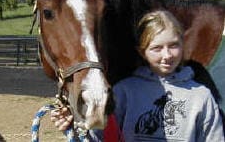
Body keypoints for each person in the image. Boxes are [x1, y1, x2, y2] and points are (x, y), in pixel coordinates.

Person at [51, 10, 225, 141]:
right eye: (157, 48)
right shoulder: (124, 92)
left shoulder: (201, 96)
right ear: (142, 52)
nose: (167, 55)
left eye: (173, 45)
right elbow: (100, 139)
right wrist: (72, 127)